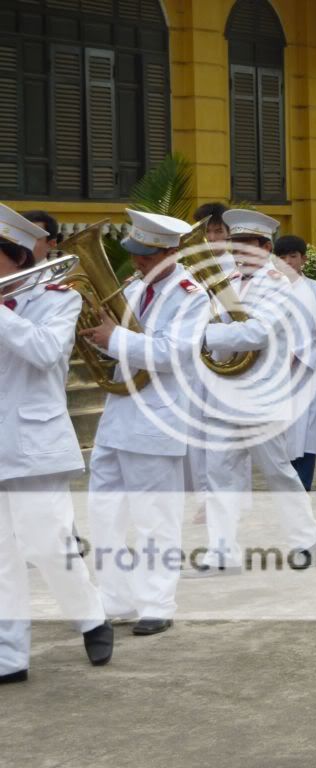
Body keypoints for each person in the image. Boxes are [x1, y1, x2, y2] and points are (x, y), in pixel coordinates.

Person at [0, 204, 113, 682]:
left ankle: (91, 615)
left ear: (13, 254)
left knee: (48, 544)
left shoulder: (57, 298)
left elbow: (46, 352)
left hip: (33, 441)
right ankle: (10, 657)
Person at [80, 210, 206, 636]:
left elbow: (175, 353)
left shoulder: (191, 294)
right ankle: (115, 598)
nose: (137, 262)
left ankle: (156, 602)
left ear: (170, 253)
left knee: (156, 519)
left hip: (157, 420)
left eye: (146, 256)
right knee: (104, 514)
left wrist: (114, 338)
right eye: (136, 254)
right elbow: (123, 345)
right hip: (117, 419)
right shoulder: (134, 289)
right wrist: (100, 342)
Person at [191, 209, 316, 577]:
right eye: (237, 245)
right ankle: (222, 550)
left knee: (277, 470)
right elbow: (208, 318)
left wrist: (203, 337)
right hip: (224, 391)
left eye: (248, 245)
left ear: (265, 247)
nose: (239, 252)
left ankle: (306, 538)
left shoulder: (278, 283)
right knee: (220, 474)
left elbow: (258, 332)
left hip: (260, 394)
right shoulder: (225, 280)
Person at [186, 201, 233, 525]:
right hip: (195, 360)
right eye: (207, 232)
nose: (213, 237)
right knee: (195, 431)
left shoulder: (237, 268)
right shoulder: (190, 268)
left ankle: (223, 498)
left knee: (223, 437)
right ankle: (204, 496)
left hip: (228, 359)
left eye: (219, 231)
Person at [274, 235, 316, 491]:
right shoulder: (268, 290)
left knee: (305, 435)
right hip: (276, 373)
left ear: (303, 259)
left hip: (306, 373)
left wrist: (299, 354)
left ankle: (303, 489)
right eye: (282, 257)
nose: (287, 262)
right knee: (280, 437)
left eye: (293, 257)